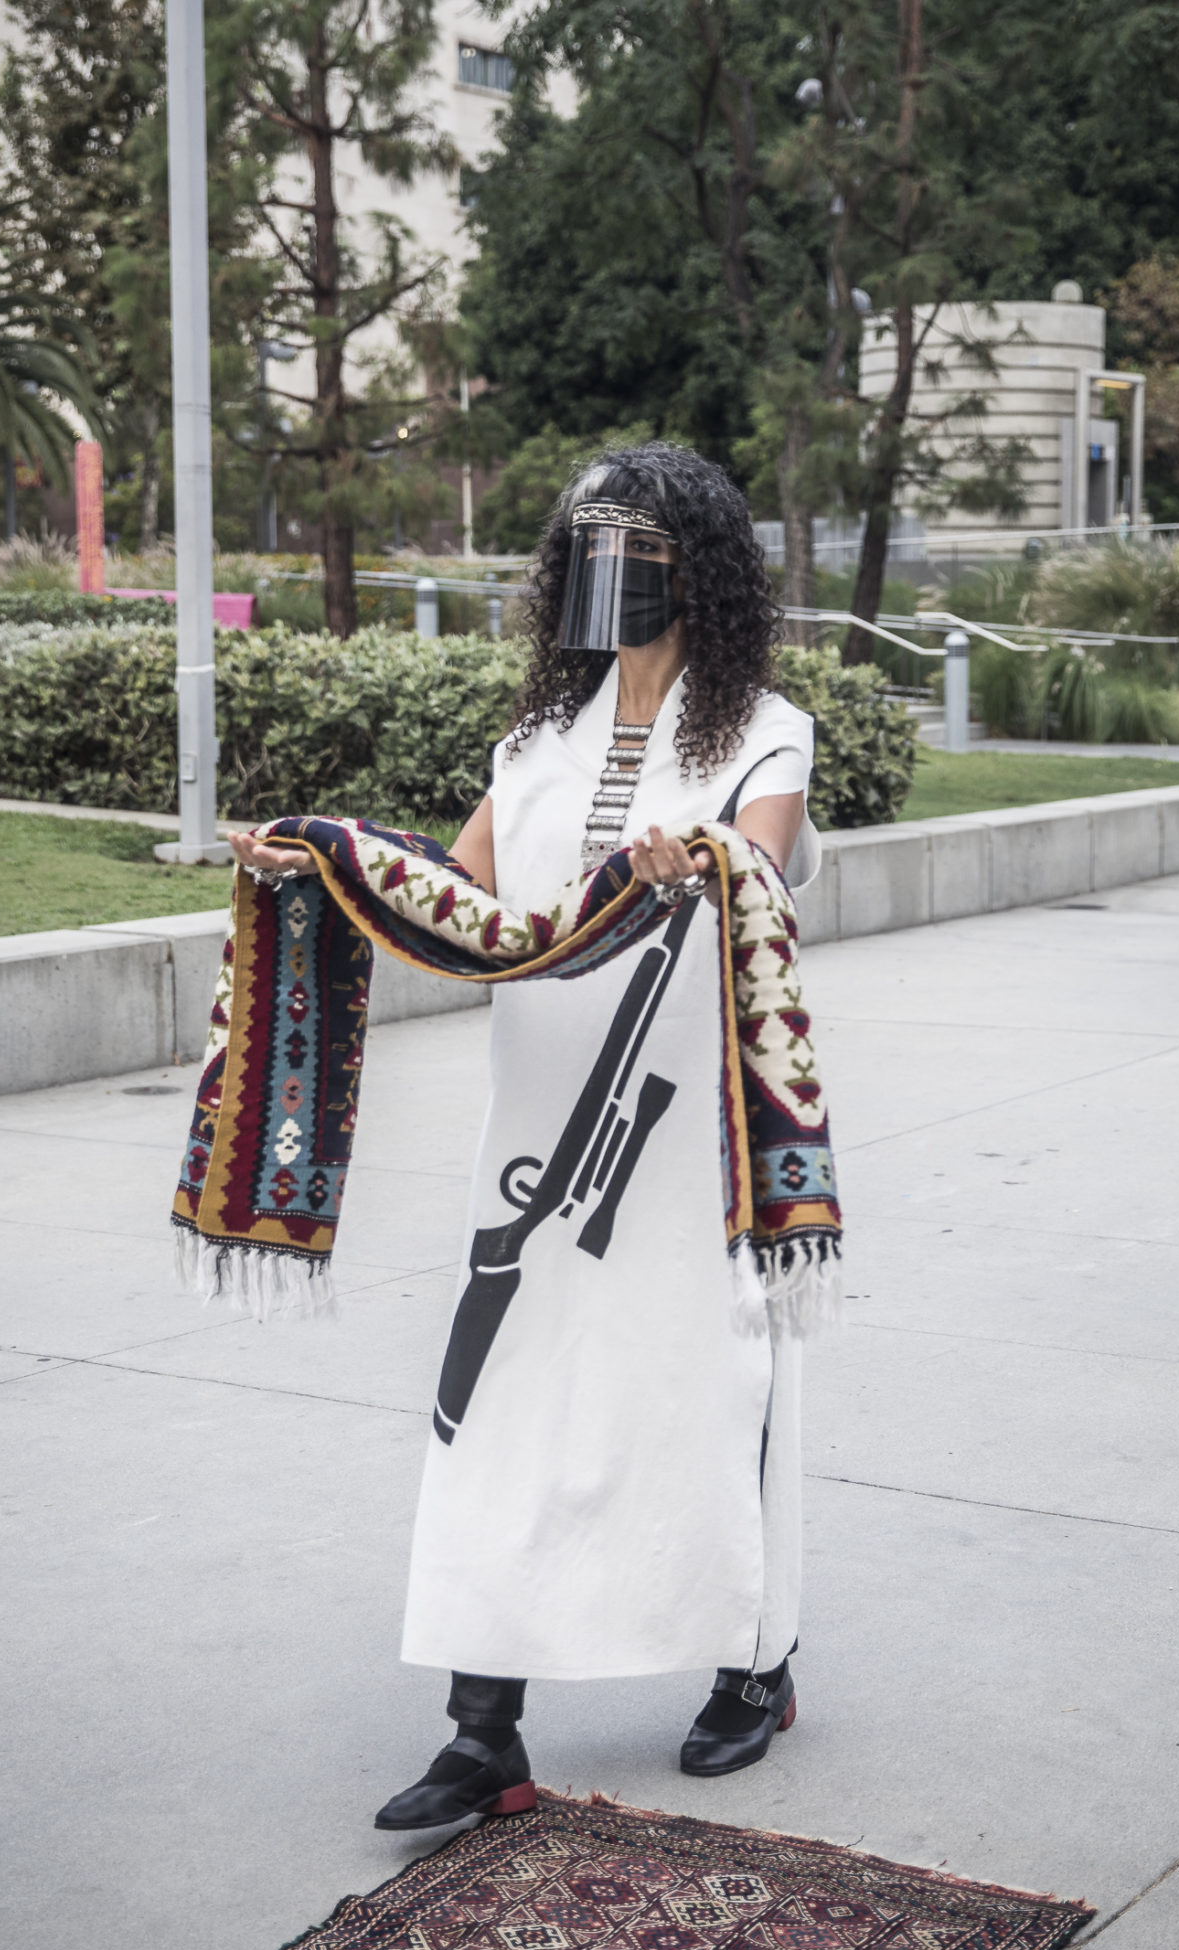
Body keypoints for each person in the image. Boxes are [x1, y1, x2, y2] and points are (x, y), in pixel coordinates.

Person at [230, 444, 823, 1825]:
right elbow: (459, 897)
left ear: (700, 573)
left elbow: (769, 869)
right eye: (590, 540)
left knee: (707, 1380)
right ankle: (480, 1724)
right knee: (493, 1394)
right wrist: (316, 862)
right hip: (533, 1118)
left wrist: (704, 857)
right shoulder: (534, 747)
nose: (608, 565)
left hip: (683, 1123)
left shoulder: (760, 734)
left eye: (640, 543)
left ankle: (754, 1661)